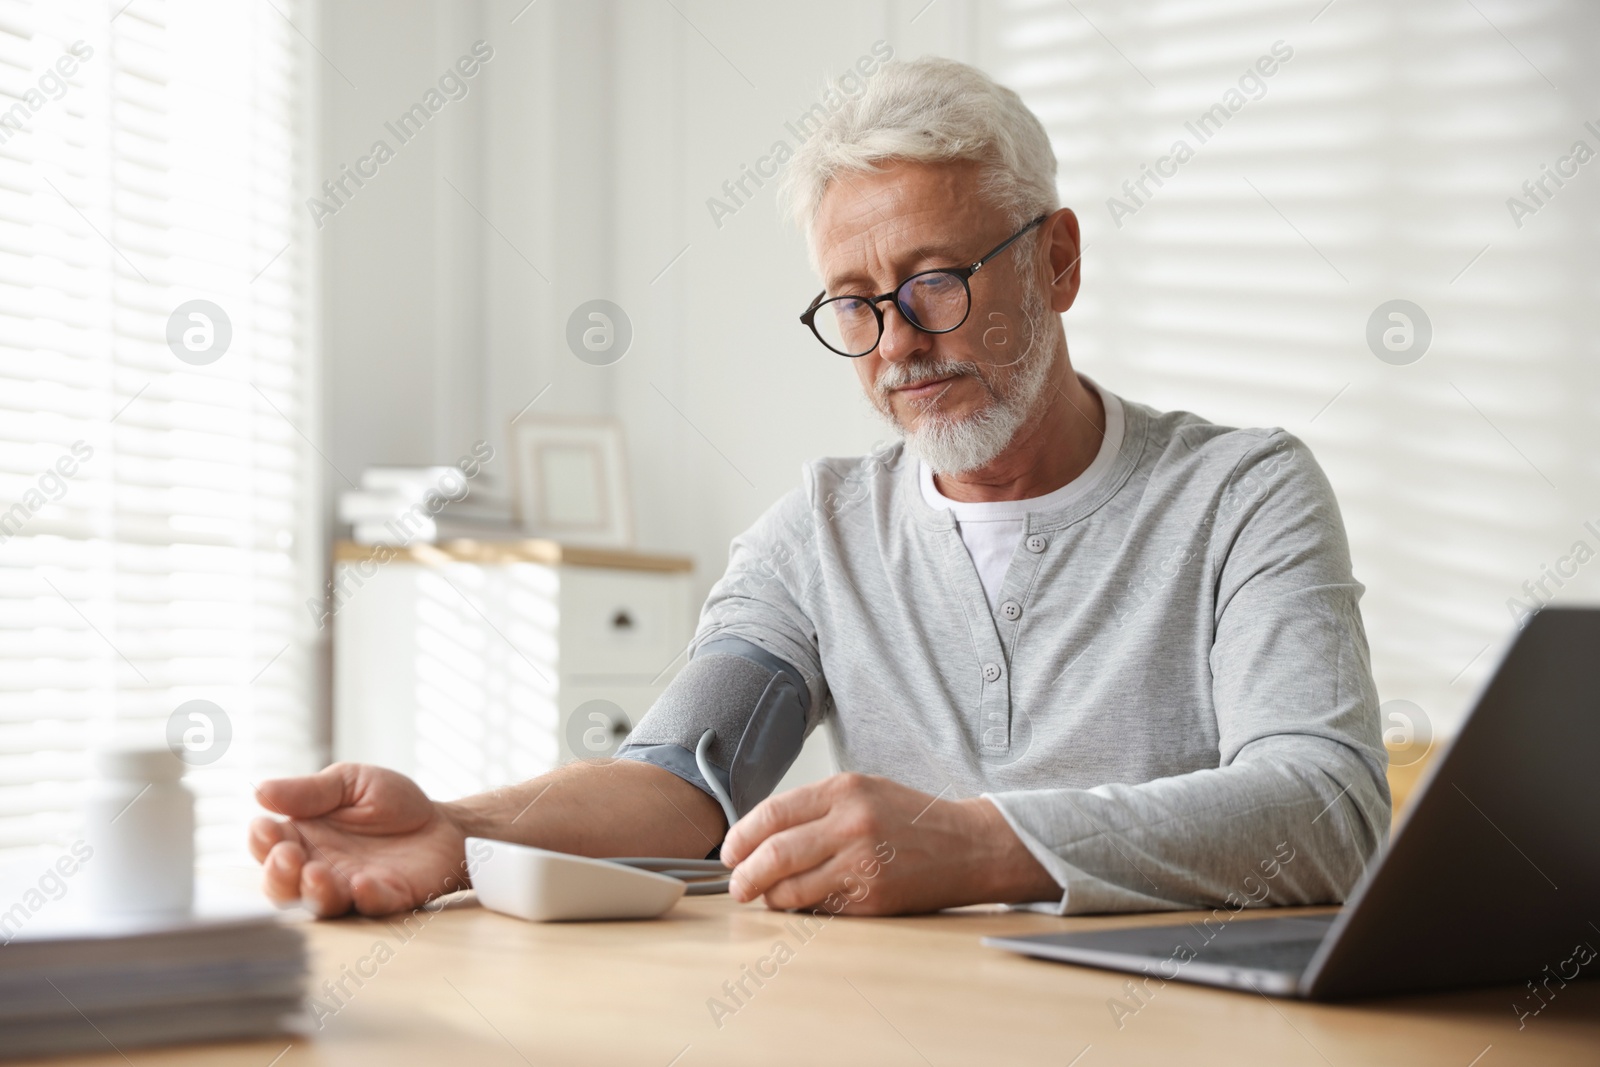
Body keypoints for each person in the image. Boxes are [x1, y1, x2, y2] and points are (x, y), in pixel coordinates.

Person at [251, 57, 1389, 919]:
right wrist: (456, 830)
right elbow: (679, 784)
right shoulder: (820, 531)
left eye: (934, 280)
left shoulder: (1244, 493)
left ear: (1057, 262)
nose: (896, 343)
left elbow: (1325, 811)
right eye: (854, 301)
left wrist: (976, 844)